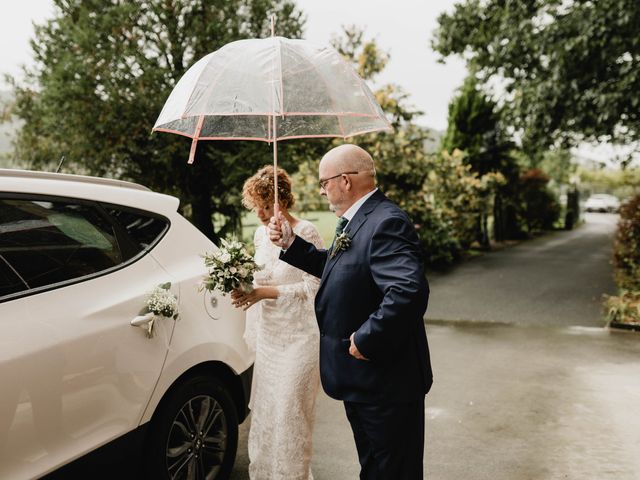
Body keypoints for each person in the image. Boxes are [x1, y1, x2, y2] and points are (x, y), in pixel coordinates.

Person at [268, 144, 433, 480]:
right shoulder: (356, 221)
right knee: (374, 467)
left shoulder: (386, 221)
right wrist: (290, 244)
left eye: (323, 182)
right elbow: (338, 266)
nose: (321, 189)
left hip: (385, 380)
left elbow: (408, 291)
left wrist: (367, 339)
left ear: (345, 181)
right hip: (362, 381)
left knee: (393, 471)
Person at [231, 165, 323, 480]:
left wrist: (263, 293)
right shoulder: (260, 233)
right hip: (270, 339)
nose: (257, 210)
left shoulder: (306, 231)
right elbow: (263, 274)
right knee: (268, 413)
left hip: (299, 338)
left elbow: (316, 288)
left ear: (279, 199)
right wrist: (242, 285)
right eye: (253, 203)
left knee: (290, 414)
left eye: (262, 202)